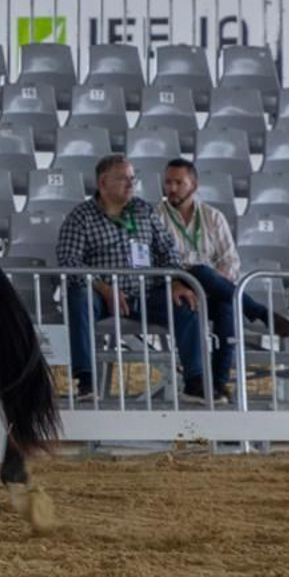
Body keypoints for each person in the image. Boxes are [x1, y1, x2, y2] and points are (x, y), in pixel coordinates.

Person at [56, 153, 208, 404]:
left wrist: (177, 281)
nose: (131, 184)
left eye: (132, 178)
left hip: (146, 292)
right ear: (103, 183)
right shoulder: (81, 217)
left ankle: (195, 381)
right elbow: (69, 261)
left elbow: (168, 250)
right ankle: (85, 380)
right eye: (123, 178)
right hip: (102, 296)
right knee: (79, 297)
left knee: (185, 301)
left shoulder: (143, 210)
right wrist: (104, 288)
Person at [160, 158, 289, 367]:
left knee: (224, 303)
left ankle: (219, 381)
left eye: (179, 183)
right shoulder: (155, 217)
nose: (172, 188)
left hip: (211, 291)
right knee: (200, 272)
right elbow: (154, 262)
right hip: (174, 291)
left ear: (194, 186)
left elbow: (230, 261)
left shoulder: (213, 217)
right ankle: (261, 313)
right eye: (168, 182)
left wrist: (215, 284)